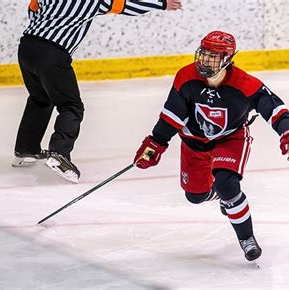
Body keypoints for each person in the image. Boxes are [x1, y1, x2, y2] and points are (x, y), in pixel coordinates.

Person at [133, 30, 289, 262]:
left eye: (213, 56)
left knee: (227, 183)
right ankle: (224, 197)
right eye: (203, 54)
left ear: (227, 59)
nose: (205, 60)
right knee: (195, 196)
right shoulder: (186, 77)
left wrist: (288, 131)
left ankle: (246, 238)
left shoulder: (245, 84)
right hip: (194, 141)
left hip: (230, 139)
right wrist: (156, 142)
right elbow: (172, 115)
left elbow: (274, 109)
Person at [12, 0, 183, 183]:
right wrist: (162, 4)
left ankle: (26, 149)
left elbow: (32, 8)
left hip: (27, 47)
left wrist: (47, 27)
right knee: (71, 106)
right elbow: (128, 5)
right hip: (52, 53)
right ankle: (59, 154)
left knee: (40, 98)